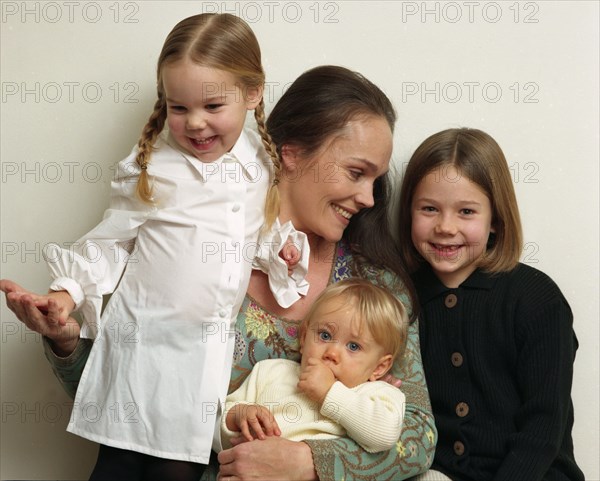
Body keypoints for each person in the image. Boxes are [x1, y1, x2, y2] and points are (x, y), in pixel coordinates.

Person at [1, 65, 437, 481]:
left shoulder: (377, 289)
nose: (369, 198)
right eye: (356, 173)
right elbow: (125, 408)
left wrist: (307, 462)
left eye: (375, 181)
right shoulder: (189, 251)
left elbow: (418, 438)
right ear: (291, 154)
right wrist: (65, 343)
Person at [1, 12, 305, 480]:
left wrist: (279, 250)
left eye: (211, 106)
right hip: (140, 354)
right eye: (178, 108)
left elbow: (254, 232)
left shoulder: (259, 164)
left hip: (201, 362)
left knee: (175, 470)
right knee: (119, 465)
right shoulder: (154, 167)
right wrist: (66, 294)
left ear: (252, 92)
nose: (195, 123)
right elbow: (110, 243)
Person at [397, 128, 584, 481]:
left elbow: (543, 427)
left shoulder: (536, 298)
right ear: (409, 212)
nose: (445, 227)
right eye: (429, 209)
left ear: (496, 219)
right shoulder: (401, 298)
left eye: (466, 211)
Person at [222, 278, 409, 453]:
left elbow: (384, 435)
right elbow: (222, 426)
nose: (332, 353)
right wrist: (239, 417)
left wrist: (330, 393)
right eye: (325, 335)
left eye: (353, 346)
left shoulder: (377, 394)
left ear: (379, 367)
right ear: (303, 338)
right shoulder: (271, 371)